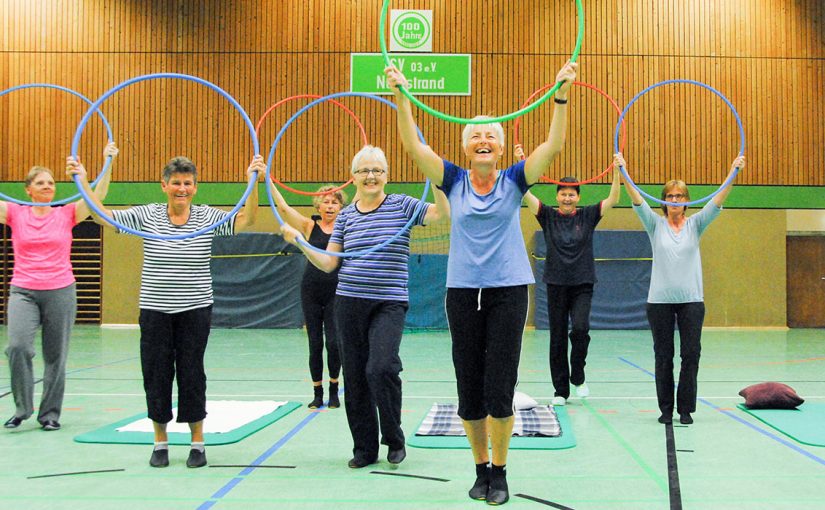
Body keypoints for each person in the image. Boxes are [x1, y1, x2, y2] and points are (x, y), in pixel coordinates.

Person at [385, 62, 577, 505]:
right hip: (462, 293)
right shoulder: (452, 180)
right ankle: (478, 468)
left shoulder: (514, 180)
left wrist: (561, 96)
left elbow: (554, 144)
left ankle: (501, 469)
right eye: (475, 135)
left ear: (502, 144)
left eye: (491, 134)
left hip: (508, 292)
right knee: (468, 388)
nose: (483, 139)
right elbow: (414, 145)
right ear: (465, 145)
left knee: (499, 387)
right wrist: (401, 95)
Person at [70, 153, 264, 468]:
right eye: (176, 183)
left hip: (195, 309)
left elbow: (247, 220)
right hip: (155, 310)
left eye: (187, 183)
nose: (182, 189)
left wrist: (253, 182)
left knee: (192, 374)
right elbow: (105, 217)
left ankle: (197, 444)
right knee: (156, 375)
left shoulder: (205, 217)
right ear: (164, 185)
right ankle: (160, 443)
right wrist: (82, 180)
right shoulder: (148, 215)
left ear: (195, 187)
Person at [280, 145, 448, 470]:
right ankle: (365, 448)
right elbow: (329, 263)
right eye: (364, 171)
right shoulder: (345, 216)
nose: (371, 176)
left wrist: (438, 179)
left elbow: (443, 215)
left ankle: (394, 438)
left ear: (387, 175)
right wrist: (299, 243)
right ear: (353, 177)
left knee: (381, 368)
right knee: (355, 378)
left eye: (378, 171)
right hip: (349, 303)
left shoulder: (402, 205)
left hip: (388, 302)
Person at [614, 152, 744, 425]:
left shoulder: (696, 225)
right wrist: (623, 170)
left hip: (691, 302)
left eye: (680, 196)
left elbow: (717, 201)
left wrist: (733, 172)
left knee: (691, 355)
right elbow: (637, 200)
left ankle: (685, 410)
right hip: (659, 302)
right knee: (663, 357)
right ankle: (665, 410)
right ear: (664, 201)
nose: (675, 201)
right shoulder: (655, 225)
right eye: (670, 196)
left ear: (687, 201)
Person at [2, 142, 118, 431]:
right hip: (23, 291)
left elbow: (98, 197)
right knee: (17, 347)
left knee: (56, 357)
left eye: (51, 182)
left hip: (60, 290)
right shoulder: (16, 213)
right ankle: (22, 408)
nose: (47, 186)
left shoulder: (65, 213)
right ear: (28, 189)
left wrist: (108, 162)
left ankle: (50, 415)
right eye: (40, 182)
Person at [520, 150, 621, 407]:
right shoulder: (548, 216)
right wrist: (523, 165)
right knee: (556, 337)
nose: (567, 197)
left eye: (571, 193)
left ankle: (578, 375)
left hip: (582, 284)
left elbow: (613, 198)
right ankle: (560, 391)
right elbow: (525, 193)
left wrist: (618, 170)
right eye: (563, 193)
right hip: (555, 284)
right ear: (557, 196)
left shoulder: (587, 215)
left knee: (580, 329)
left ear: (578, 196)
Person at [270, 183, 347, 409]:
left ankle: (334, 389)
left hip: (336, 291)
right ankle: (317, 392)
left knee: (333, 343)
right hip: (311, 291)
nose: (330, 206)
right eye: (326, 201)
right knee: (315, 343)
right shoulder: (309, 226)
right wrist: (268, 181)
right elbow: (283, 209)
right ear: (318, 205)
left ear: (341, 207)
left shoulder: (345, 228)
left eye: (335, 202)